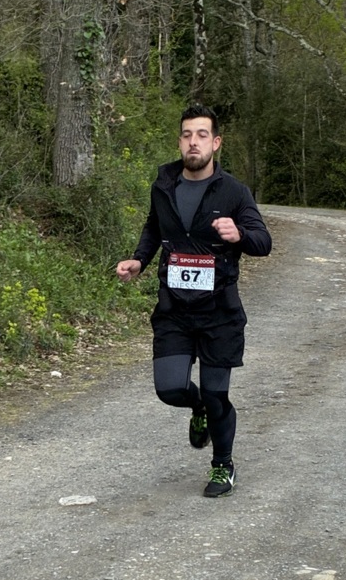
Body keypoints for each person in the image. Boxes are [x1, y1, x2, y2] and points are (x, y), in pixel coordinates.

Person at [116, 104, 272, 497]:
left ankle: (223, 465)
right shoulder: (164, 185)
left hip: (220, 312)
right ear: (179, 141)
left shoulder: (234, 192)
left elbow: (263, 242)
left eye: (202, 135)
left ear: (216, 143)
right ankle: (197, 406)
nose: (193, 142)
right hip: (174, 309)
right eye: (187, 135)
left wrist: (239, 234)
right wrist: (139, 260)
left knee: (218, 394)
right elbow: (155, 226)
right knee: (169, 388)